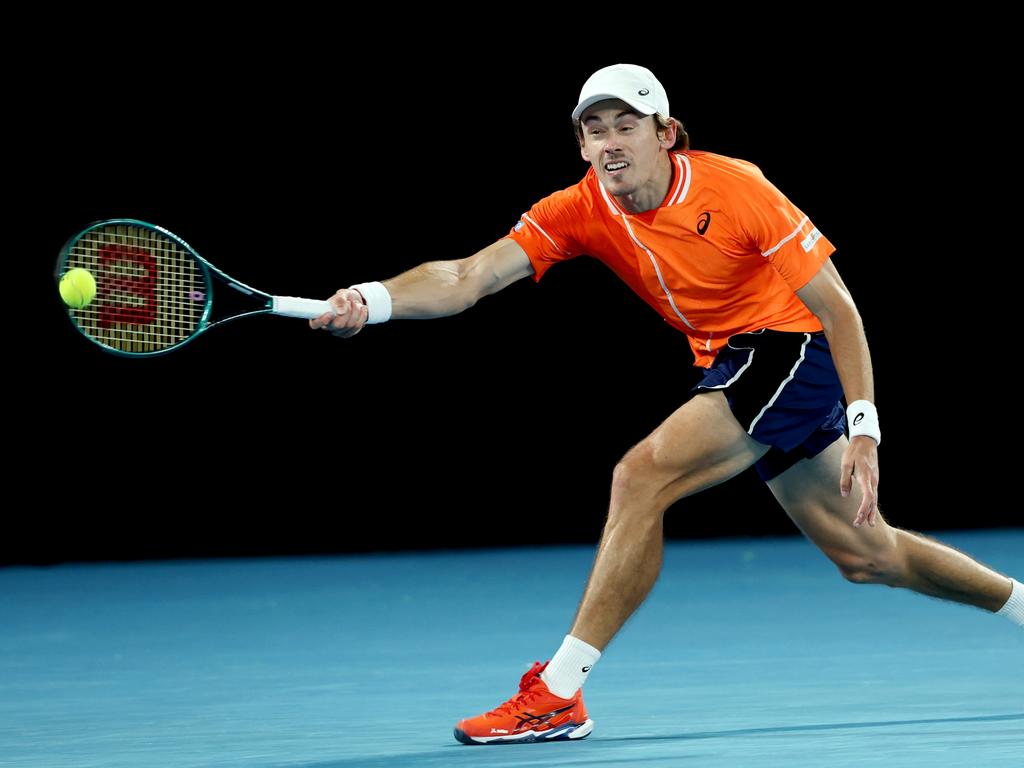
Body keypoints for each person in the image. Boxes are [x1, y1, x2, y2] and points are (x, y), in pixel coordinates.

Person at [310, 64, 1024, 745]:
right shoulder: (578, 208)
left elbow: (840, 311)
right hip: (733, 365)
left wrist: (865, 429)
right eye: (595, 129)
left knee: (641, 476)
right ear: (582, 144)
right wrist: (371, 303)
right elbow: (468, 277)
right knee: (868, 556)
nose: (610, 142)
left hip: (789, 347)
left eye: (627, 124)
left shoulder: (736, 188)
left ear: (666, 133)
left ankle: (557, 694)